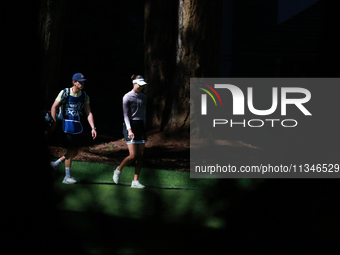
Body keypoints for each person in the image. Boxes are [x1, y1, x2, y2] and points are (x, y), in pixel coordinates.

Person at [50, 73, 97, 184]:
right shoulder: (65, 92)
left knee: (75, 152)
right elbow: (54, 106)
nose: (82, 84)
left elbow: (88, 112)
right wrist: (54, 122)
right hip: (64, 124)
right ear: (74, 82)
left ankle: (55, 164)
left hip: (76, 125)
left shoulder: (84, 95)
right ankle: (67, 177)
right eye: (80, 82)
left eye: (83, 81)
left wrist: (93, 127)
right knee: (71, 149)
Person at [113, 74, 147, 188]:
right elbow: (126, 115)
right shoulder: (127, 97)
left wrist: (145, 126)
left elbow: (143, 114)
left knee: (140, 155)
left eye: (143, 85)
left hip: (140, 125)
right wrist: (129, 130)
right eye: (140, 85)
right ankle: (118, 170)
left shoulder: (143, 97)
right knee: (132, 156)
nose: (141, 87)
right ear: (134, 84)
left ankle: (135, 181)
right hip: (130, 125)